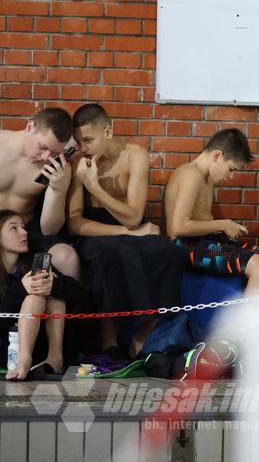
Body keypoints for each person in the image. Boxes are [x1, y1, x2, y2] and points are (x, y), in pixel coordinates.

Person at [67, 103, 186, 360]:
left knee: (169, 251)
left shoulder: (135, 155)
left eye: (88, 140)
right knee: (110, 252)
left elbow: (133, 216)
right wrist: (129, 232)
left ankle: (145, 327)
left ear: (108, 131)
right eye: (79, 141)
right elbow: (74, 223)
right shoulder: (78, 162)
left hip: (131, 223)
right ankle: (108, 338)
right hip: (95, 230)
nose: (84, 148)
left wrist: (95, 187)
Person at [164, 128, 259, 297]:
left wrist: (224, 229)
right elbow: (178, 227)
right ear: (218, 155)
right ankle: (245, 323)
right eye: (231, 169)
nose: (231, 177)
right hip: (185, 246)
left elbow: (201, 221)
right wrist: (224, 224)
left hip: (208, 241)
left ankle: (253, 305)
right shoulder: (191, 175)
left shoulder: (206, 178)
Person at [0, 210, 83, 380]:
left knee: (50, 290)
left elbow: (79, 295)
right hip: (6, 348)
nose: (24, 232)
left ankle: (55, 358)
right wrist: (21, 289)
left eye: (23, 227)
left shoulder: (34, 262)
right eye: (14, 228)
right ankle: (23, 360)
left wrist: (55, 285)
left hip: (41, 347)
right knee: (34, 296)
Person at [0, 108, 81, 282]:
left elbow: (49, 229)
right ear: (30, 127)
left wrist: (58, 189)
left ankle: (77, 309)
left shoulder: (57, 168)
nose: (45, 157)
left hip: (26, 231)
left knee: (66, 257)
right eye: (43, 147)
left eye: (53, 153)